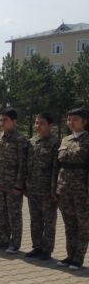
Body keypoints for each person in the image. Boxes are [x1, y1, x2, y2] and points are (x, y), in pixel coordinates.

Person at [0, 108, 28, 254]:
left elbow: (23, 165)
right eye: (0, 120)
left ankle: (14, 243)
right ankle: (2, 240)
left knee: (14, 215)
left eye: (5, 120)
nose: (2, 123)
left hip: (12, 184)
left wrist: (19, 185)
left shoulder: (20, 140)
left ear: (14, 121)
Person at [54, 108, 89, 270]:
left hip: (81, 190)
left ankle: (78, 258)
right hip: (64, 189)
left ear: (84, 121)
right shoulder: (65, 140)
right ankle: (70, 255)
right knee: (69, 224)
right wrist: (55, 188)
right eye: (69, 119)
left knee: (83, 225)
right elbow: (59, 165)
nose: (71, 122)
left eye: (75, 119)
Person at [25, 112, 59, 261]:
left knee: (49, 221)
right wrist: (25, 185)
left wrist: (53, 190)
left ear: (50, 125)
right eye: (36, 123)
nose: (38, 126)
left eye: (41, 123)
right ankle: (37, 247)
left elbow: (55, 169)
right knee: (35, 220)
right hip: (32, 188)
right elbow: (27, 165)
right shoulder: (32, 142)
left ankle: (47, 250)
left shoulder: (55, 143)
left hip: (47, 190)